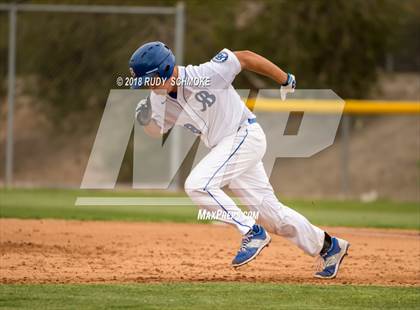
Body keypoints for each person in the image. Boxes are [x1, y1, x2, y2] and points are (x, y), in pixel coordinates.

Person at [130, 41, 349, 279]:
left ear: (164, 70)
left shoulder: (204, 75)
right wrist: (145, 120)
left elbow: (244, 57)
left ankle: (251, 232)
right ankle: (329, 247)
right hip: (227, 150)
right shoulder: (157, 100)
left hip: (244, 135)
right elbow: (157, 129)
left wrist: (284, 78)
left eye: (148, 80)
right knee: (273, 217)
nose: (147, 87)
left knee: (197, 184)